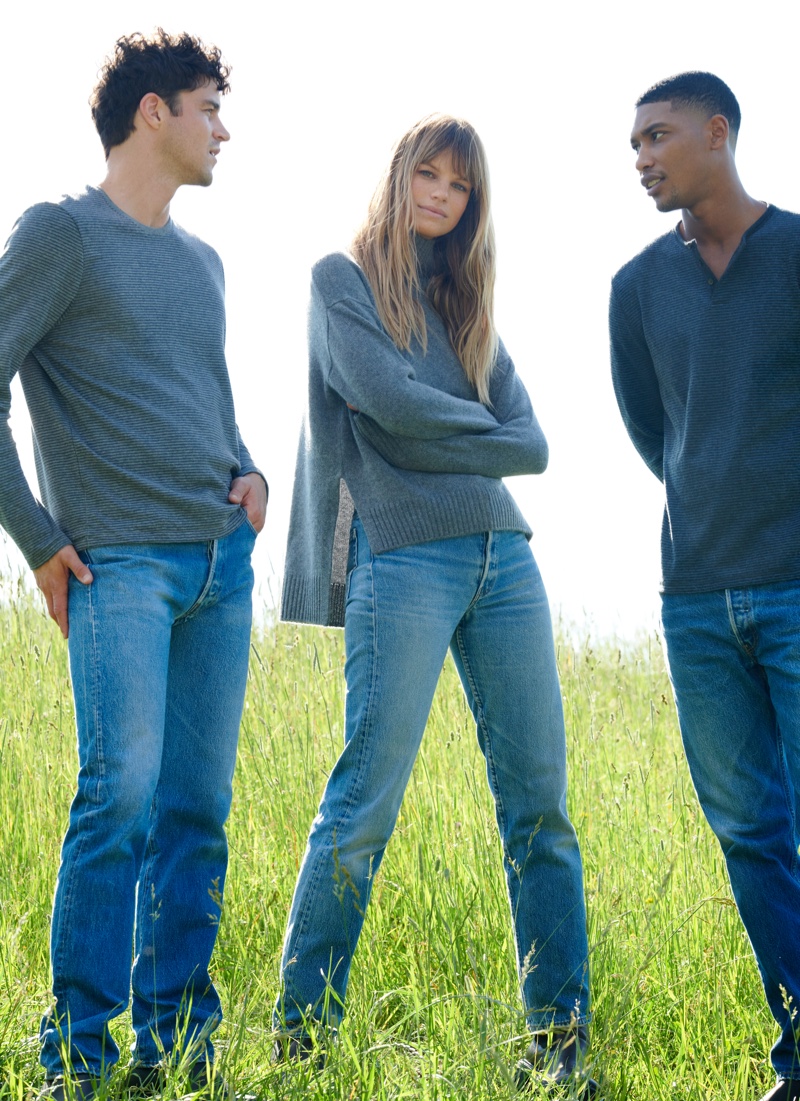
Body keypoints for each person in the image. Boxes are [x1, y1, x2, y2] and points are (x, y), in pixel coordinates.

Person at [275, 114, 597, 1095]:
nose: (440, 195)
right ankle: (302, 1045)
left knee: (539, 810)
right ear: (400, 174)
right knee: (363, 805)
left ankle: (557, 1051)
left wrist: (436, 436)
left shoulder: (466, 307)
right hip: (401, 554)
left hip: (504, 558)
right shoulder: (341, 283)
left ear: (470, 203)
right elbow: (386, 402)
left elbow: (533, 444)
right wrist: (467, 432)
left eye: (459, 185)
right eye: (429, 173)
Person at [0, 30, 267, 1099]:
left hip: (219, 570)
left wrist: (248, 471)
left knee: (197, 810)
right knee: (120, 798)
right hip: (121, 572)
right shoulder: (59, 235)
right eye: (208, 107)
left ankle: (176, 1052)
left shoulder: (203, 262)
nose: (222, 129)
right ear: (153, 112)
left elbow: (201, 395)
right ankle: (78, 1055)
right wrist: (35, 534)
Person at [610, 71, 800, 1101]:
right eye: (632, 144)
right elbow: (655, 436)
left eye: (656, 136)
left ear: (716, 132)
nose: (640, 157)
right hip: (693, 600)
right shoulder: (633, 290)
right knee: (748, 836)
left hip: (797, 586)